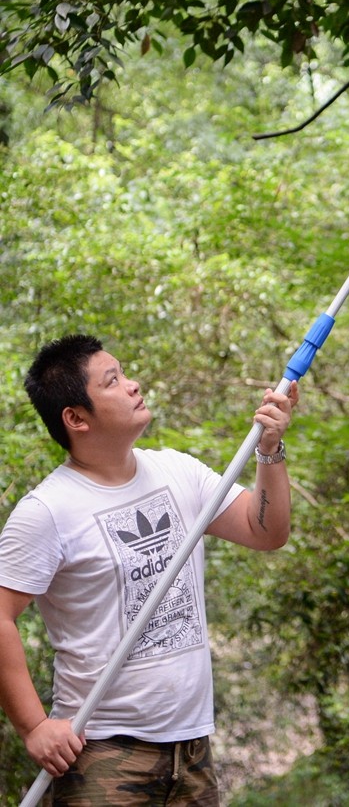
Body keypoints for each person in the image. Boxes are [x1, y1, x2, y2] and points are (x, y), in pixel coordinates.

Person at [0, 334, 299, 805]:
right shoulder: (47, 511)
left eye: (124, 373)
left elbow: (265, 531)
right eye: (112, 381)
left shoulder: (177, 471)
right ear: (76, 418)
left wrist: (270, 449)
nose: (133, 385)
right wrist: (34, 726)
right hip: (101, 751)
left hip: (192, 747)